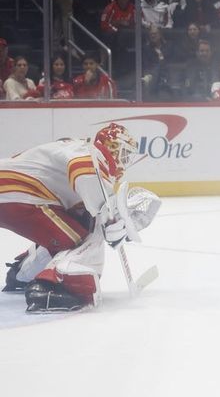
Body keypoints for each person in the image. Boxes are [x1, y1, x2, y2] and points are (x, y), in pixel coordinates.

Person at [0, 123, 161, 312]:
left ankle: (23, 274)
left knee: (75, 225)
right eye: (124, 154)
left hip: (13, 191)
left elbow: (84, 207)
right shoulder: (90, 154)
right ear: (113, 147)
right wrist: (109, 220)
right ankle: (56, 285)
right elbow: (83, 170)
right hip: (16, 191)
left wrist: (111, 219)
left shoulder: (79, 148)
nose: (125, 161)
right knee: (85, 238)